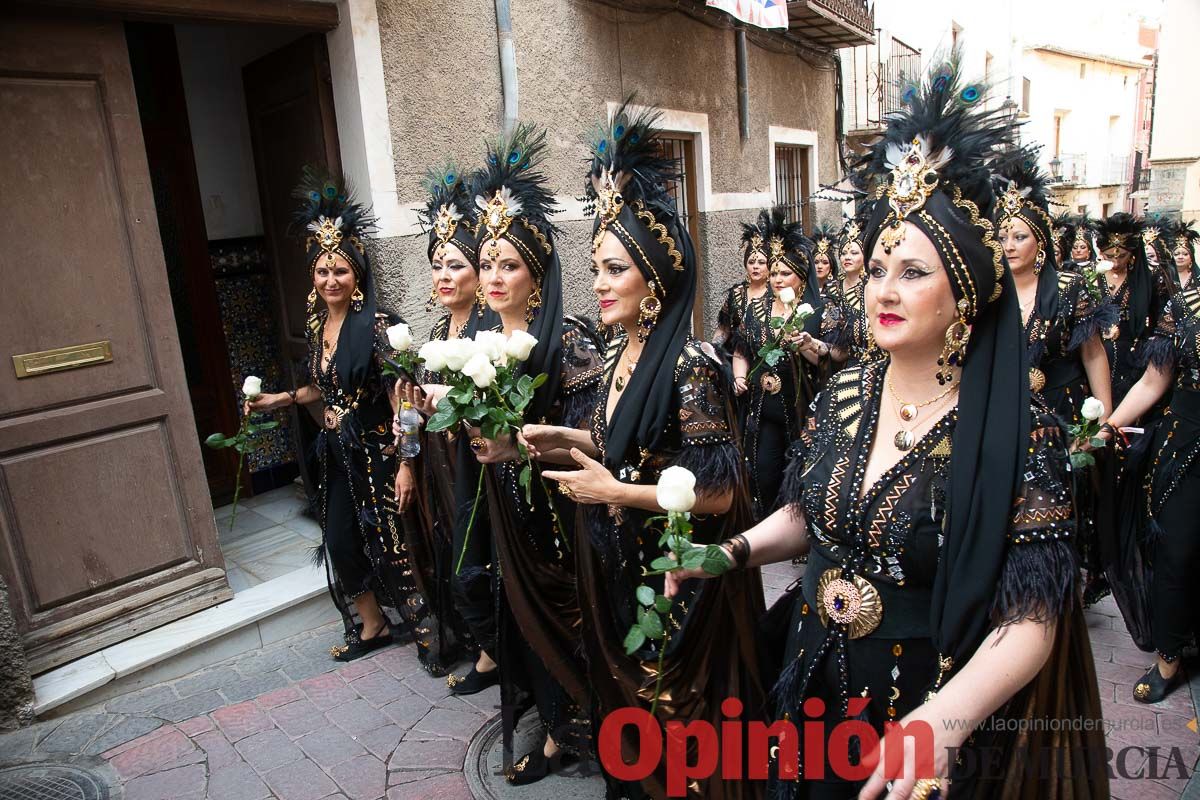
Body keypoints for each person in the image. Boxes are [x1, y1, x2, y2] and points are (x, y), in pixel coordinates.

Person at [670, 57, 1107, 799]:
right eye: (877, 268)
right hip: (812, 692)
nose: (884, 289)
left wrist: (946, 721)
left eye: (914, 272)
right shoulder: (844, 391)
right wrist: (729, 555)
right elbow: (810, 517)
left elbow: (1033, 615)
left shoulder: (1019, 433)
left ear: (965, 291)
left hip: (923, 719)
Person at [528, 104, 766, 800]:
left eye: (613, 269)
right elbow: (617, 444)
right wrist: (564, 438)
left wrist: (616, 495)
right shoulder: (615, 351)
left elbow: (720, 495)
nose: (598, 283)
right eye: (596, 268)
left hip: (669, 577)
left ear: (655, 281)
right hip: (610, 563)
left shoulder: (691, 365)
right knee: (624, 718)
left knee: (675, 727)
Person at [444, 124, 604, 784]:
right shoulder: (478, 334)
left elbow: (599, 440)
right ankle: (542, 708)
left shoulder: (566, 339)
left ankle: (570, 731)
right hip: (500, 505)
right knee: (509, 609)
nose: (494, 276)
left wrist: (522, 448)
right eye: (487, 264)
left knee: (561, 620)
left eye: (508, 264)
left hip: (557, 515)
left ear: (536, 274)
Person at [247, 170, 418, 662]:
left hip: (380, 455)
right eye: (322, 272)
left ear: (357, 272)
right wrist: (278, 401)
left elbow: (402, 398)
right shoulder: (318, 323)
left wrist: (407, 462)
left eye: (340, 270)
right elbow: (320, 388)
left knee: (398, 543)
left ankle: (432, 630)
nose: (330, 280)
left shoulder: (380, 324)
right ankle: (373, 624)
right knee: (340, 540)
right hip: (339, 456)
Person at [393, 165, 490, 676]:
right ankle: (479, 647)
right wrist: (406, 463)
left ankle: (496, 654)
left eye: (455, 264)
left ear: (479, 271)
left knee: (475, 564)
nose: (444, 276)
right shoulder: (432, 332)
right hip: (436, 465)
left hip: (475, 465)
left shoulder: (490, 331)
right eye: (437, 266)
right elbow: (409, 403)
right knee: (448, 554)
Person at [1100, 269, 1200, 703]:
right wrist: (1105, 426)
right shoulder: (1186, 307)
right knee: (1176, 554)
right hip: (1186, 450)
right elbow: (1152, 381)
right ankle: (1169, 657)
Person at [732, 208, 826, 519]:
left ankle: (799, 524)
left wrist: (805, 345)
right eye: (774, 273)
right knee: (764, 468)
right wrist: (740, 376)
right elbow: (742, 350)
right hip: (762, 406)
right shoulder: (756, 310)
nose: (776, 279)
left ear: (800, 278)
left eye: (784, 274)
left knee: (799, 466)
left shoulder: (813, 312)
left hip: (801, 405)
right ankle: (770, 521)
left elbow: (825, 360)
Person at [1097, 213, 1162, 407]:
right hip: (1096, 348)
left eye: (1122, 256)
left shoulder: (1144, 280)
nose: (1116, 263)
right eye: (1110, 257)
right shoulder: (1089, 276)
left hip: (1131, 351)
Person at [714, 219, 772, 363]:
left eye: (761, 262)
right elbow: (724, 327)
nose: (755, 267)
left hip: (763, 359)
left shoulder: (775, 294)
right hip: (735, 357)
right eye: (751, 262)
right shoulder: (737, 293)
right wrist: (714, 349)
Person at [820, 216, 872, 367]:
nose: (847, 257)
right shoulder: (832, 289)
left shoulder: (873, 286)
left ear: (865, 256)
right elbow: (831, 336)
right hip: (844, 361)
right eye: (843, 253)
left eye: (854, 253)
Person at [1168, 218, 1197, 291]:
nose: (1180, 257)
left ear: (1191, 258)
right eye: (1176, 254)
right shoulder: (1165, 280)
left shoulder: (1198, 278)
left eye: (1185, 254)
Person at [811, 223, 838, 292]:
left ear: (831, 267)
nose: (819, 266)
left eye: (825, 263)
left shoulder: (837, 291)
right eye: (816, 262)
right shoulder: (804, 290)